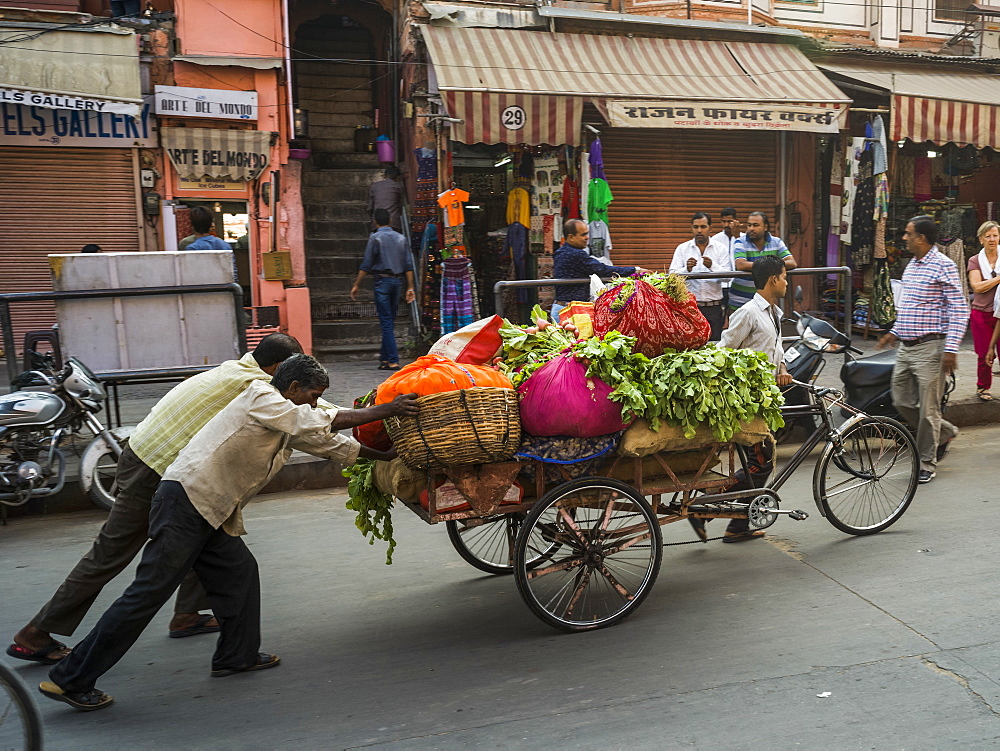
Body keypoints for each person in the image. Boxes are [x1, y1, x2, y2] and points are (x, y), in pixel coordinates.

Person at [39, 355, 417, 711]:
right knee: (146, 594)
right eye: (313, 396)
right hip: (186, 502)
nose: (316, 405)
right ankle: (69, 679)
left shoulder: (285, 414)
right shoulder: (261, 396)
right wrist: (388, 409)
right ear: (294, 385)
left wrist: (388, 459)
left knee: (239, 572)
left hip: (209, 510)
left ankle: (236, 656)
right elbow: (315, 424)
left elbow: (330, 443)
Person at [6, 334, 309, 665]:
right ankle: (34, 635)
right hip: (154, 469)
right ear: (279, 367)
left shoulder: (235, 369)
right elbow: (313, 416)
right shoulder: (256, 385)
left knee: (207, 529)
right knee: (111, 554)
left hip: (148, 457)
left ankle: (188, 615)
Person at [690, 256, 792, 543]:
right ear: (773, 279)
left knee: (760, 461)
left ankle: (736, 524)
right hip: (746, 400)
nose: (786, 282)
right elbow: (724, 352)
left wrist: (781, 369)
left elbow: (776, 349)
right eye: (784, 277)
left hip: (765, 397)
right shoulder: (748, 313)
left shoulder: (775, 313)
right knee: (761, 461)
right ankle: (706, 506)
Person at [878, 215, 968, 484]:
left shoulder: (944, 265)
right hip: (906, 347)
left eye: (908, 233)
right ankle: (946, 431)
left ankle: (926, 462)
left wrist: (951, 349)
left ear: (921, 238)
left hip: (932, 348)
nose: (904, 238)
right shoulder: (912, 266)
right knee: (900, 400)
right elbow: (910, 307)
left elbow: (960, 309)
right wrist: (893, 332)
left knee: (928, 411)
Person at [350, 208, 415, 371]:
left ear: (375, 222)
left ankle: (392, 360)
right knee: (389, 321)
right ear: (390, 221)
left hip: (382, 282)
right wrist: (411, 286)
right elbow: (408, 265)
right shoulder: (401, 238)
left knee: (386, 322)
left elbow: (366, 264)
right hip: (397, 282)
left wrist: (357, 284)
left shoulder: (375, 237)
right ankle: (385, 359)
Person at [552, 218, 645, 322]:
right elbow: (602, 269)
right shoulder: (575, 254)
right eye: (583, 235)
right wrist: (635, 270)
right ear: (571, 237)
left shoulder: (561, 252)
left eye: (587, 234)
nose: (587, 238)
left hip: (561, 308)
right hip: (569, 312)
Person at [669, 212, 732, 341]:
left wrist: (712, 266)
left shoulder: (720, 249)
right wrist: (687, 269)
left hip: (714, 308)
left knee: (714, 344)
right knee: (691, 344)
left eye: (703, 227)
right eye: (696, 227)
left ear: (710, 228)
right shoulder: (682, 249)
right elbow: (672, 276)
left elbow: (728, 277)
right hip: (691, 307)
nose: (699, 231)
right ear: (691, 228)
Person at [728, 211, 796, 311]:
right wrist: (770, 264)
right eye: (749, 225)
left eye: (755, 225)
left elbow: (792, 263)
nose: (751, 228)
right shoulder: (740, 241)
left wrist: (767, 264)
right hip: (740, 301)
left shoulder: (776, 242)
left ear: (765, 227)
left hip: (765, 302)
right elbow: (741, 265)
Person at [967, 221, 1000, 401]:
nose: (992, 239)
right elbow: (977, 287)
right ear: (981, 239)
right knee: (984, 353)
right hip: (981, 313)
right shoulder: (975, 260)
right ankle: (983, 387)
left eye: (995, 235)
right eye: (987, 236)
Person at [711, 207, 742, 310]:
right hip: (721, 285)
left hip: (738, 284)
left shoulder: (743, 238)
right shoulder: (715, 240)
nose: (726, 225)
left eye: (729, 221)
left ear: (736, 221)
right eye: (723, 221)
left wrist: (737, 236)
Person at [368, 166, 405, 231]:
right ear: (397, 177)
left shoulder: (375, 186)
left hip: (377, 223)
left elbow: (370, 208)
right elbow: (401, 205)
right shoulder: (398, 186)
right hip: (394, 223)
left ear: (385, 176)